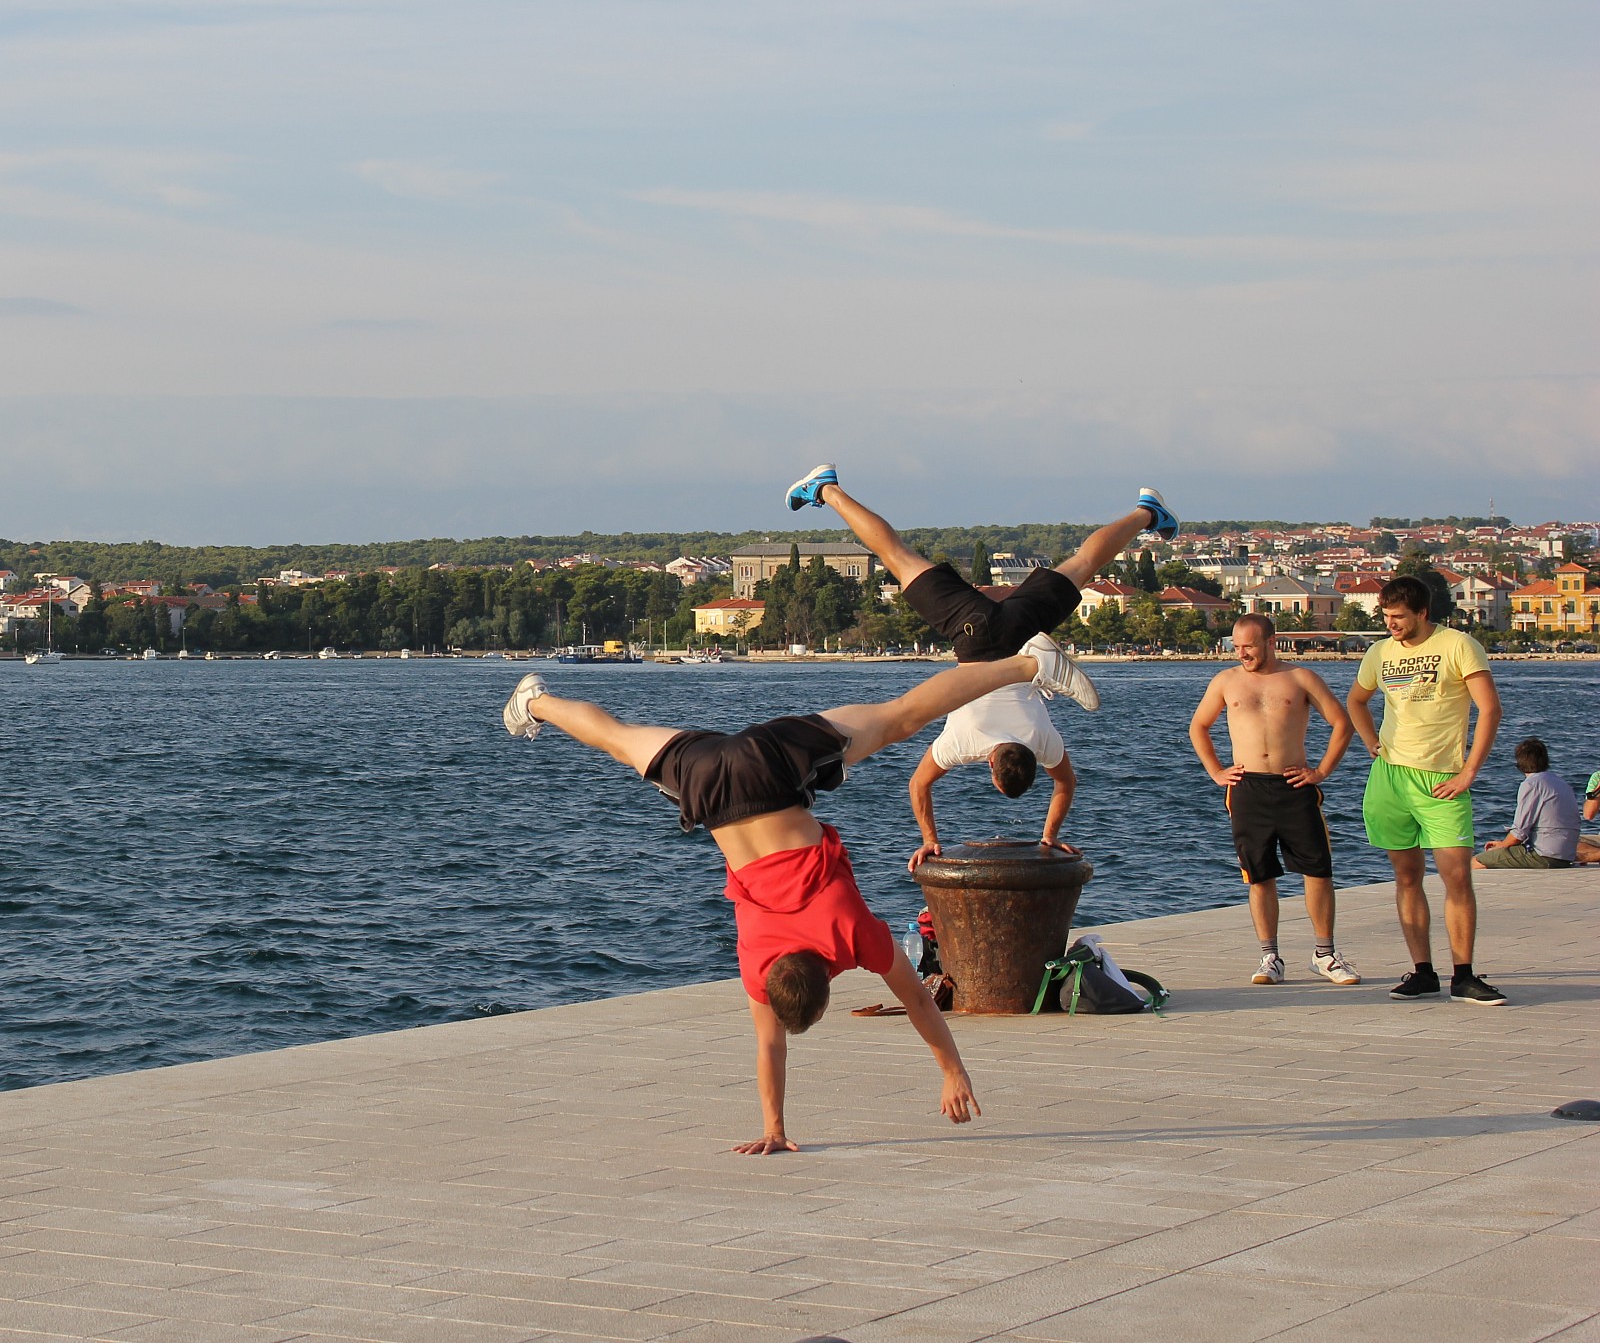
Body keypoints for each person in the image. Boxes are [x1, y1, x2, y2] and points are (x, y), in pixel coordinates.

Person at [499, 636, 1096, 1153]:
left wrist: (953, 1072)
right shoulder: (760, 965)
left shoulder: (848, 937)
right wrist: (773, 1128)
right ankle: (535, 702)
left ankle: (1027, 666)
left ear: (828, 981)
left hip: (775, 772)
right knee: (617, 739)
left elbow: (918, 1002)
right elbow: (768, 1047)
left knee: (902, 718)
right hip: (710, 783)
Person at [786, 462, 1168, 680]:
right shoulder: (964, 741)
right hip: (975, 637)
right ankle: (826, 490)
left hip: (1020, 632)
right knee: (894, 554)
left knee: (1083, 564)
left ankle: (1147, 512)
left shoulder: (1040, 740)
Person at [1344, 576, 1506, 1006]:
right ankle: (1422, 973)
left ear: (1421, 613)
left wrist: (1470, 771)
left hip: (1442, 779)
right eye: (1386, 616)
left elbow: (1490, 708)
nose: (1391, 624)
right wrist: (1371, 744)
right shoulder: (1380, 652)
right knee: (1406, 876)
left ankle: (1464, 976)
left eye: (1398, 617)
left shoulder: (1458, 645)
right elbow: (1356, 700)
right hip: (1391, 777)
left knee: (1457, 876)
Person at [1187, 613, 1359, 985]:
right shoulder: (1226, 681)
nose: (1241, 653)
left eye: (1248, 645)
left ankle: (1325, 954)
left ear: (1270, 642)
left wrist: (1322, 771)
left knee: (1317, 870)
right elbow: (1198, 727)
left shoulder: (1300, 678)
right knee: (1259, 874)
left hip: (1294, 785)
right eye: (1236, 646)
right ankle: (1270, 957)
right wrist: (1216, 771)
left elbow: (1342, 723)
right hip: (1247, 788)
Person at [905, 639, 1081, 870]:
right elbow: (918, 784)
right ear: (989, 762)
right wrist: (930, 841)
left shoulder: (1041, 739)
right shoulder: (963, 742)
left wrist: (1051, 835)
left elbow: (1066, 781)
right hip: (971, 651)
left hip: (1018, 650)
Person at [1476, 739, 1584, 869]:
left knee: (1477, 861)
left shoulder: (1531, 784)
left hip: (1544, 855)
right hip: (1565, 856)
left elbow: (1519, 832)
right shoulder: (1562, 783)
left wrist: (1501, 846)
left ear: (1519, 763)